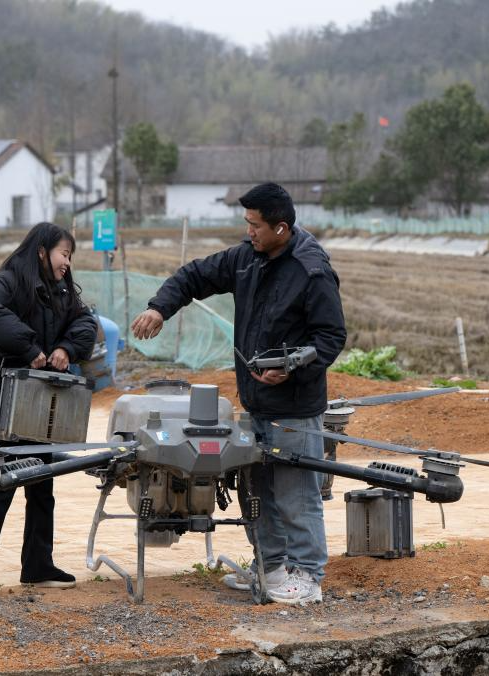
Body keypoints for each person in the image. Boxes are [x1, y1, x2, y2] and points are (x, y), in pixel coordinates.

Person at [131, 182, 346, 605]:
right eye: (245, 223)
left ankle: (308, 577)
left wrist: (290, 368)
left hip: (294, 408)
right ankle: (271, 567)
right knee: (257, 491)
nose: (248, 231)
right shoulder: (247, 258)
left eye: (254, 225)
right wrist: (160, 307)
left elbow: (331, 336)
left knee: (296, 494)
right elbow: (194, 275)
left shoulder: (310, 270)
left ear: (280, 228)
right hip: (255, 404)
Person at [0, 222, 99, 601]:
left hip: (35, 401)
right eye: (65, 254)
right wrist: (31, 347)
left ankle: (37, 564)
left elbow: (85, 322)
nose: (68, 263)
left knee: (42, 482)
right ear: (43, 251)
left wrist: (66, 348)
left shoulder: (62, 290)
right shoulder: (8, 281)